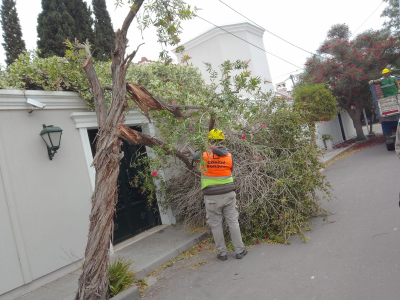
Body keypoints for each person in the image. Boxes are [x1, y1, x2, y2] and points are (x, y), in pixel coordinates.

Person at [193, 129, 247, 261]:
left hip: (211, 196)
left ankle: (222, 253)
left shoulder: (203, 155)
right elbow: (230, 169)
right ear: (222, 141)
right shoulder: (229, 156)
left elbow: (197, 168)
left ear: (209, 140)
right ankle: (240, 250)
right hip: (228, 193)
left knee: (216, 225)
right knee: (233, 221)